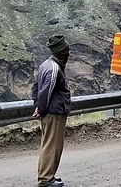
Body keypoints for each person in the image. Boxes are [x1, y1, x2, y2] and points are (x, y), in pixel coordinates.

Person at [32, 35, 72, 187]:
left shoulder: (45, 65)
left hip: (50, 112)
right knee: (52, 146)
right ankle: (46, 179)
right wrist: (41, 109)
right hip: (54, 112)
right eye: (67, 50)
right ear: (62, 52)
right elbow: (46, 91)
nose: (69, 53)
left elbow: (36, 87)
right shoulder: (54, 68)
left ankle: (49, 176)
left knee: (49, 144)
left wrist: (37, 106)